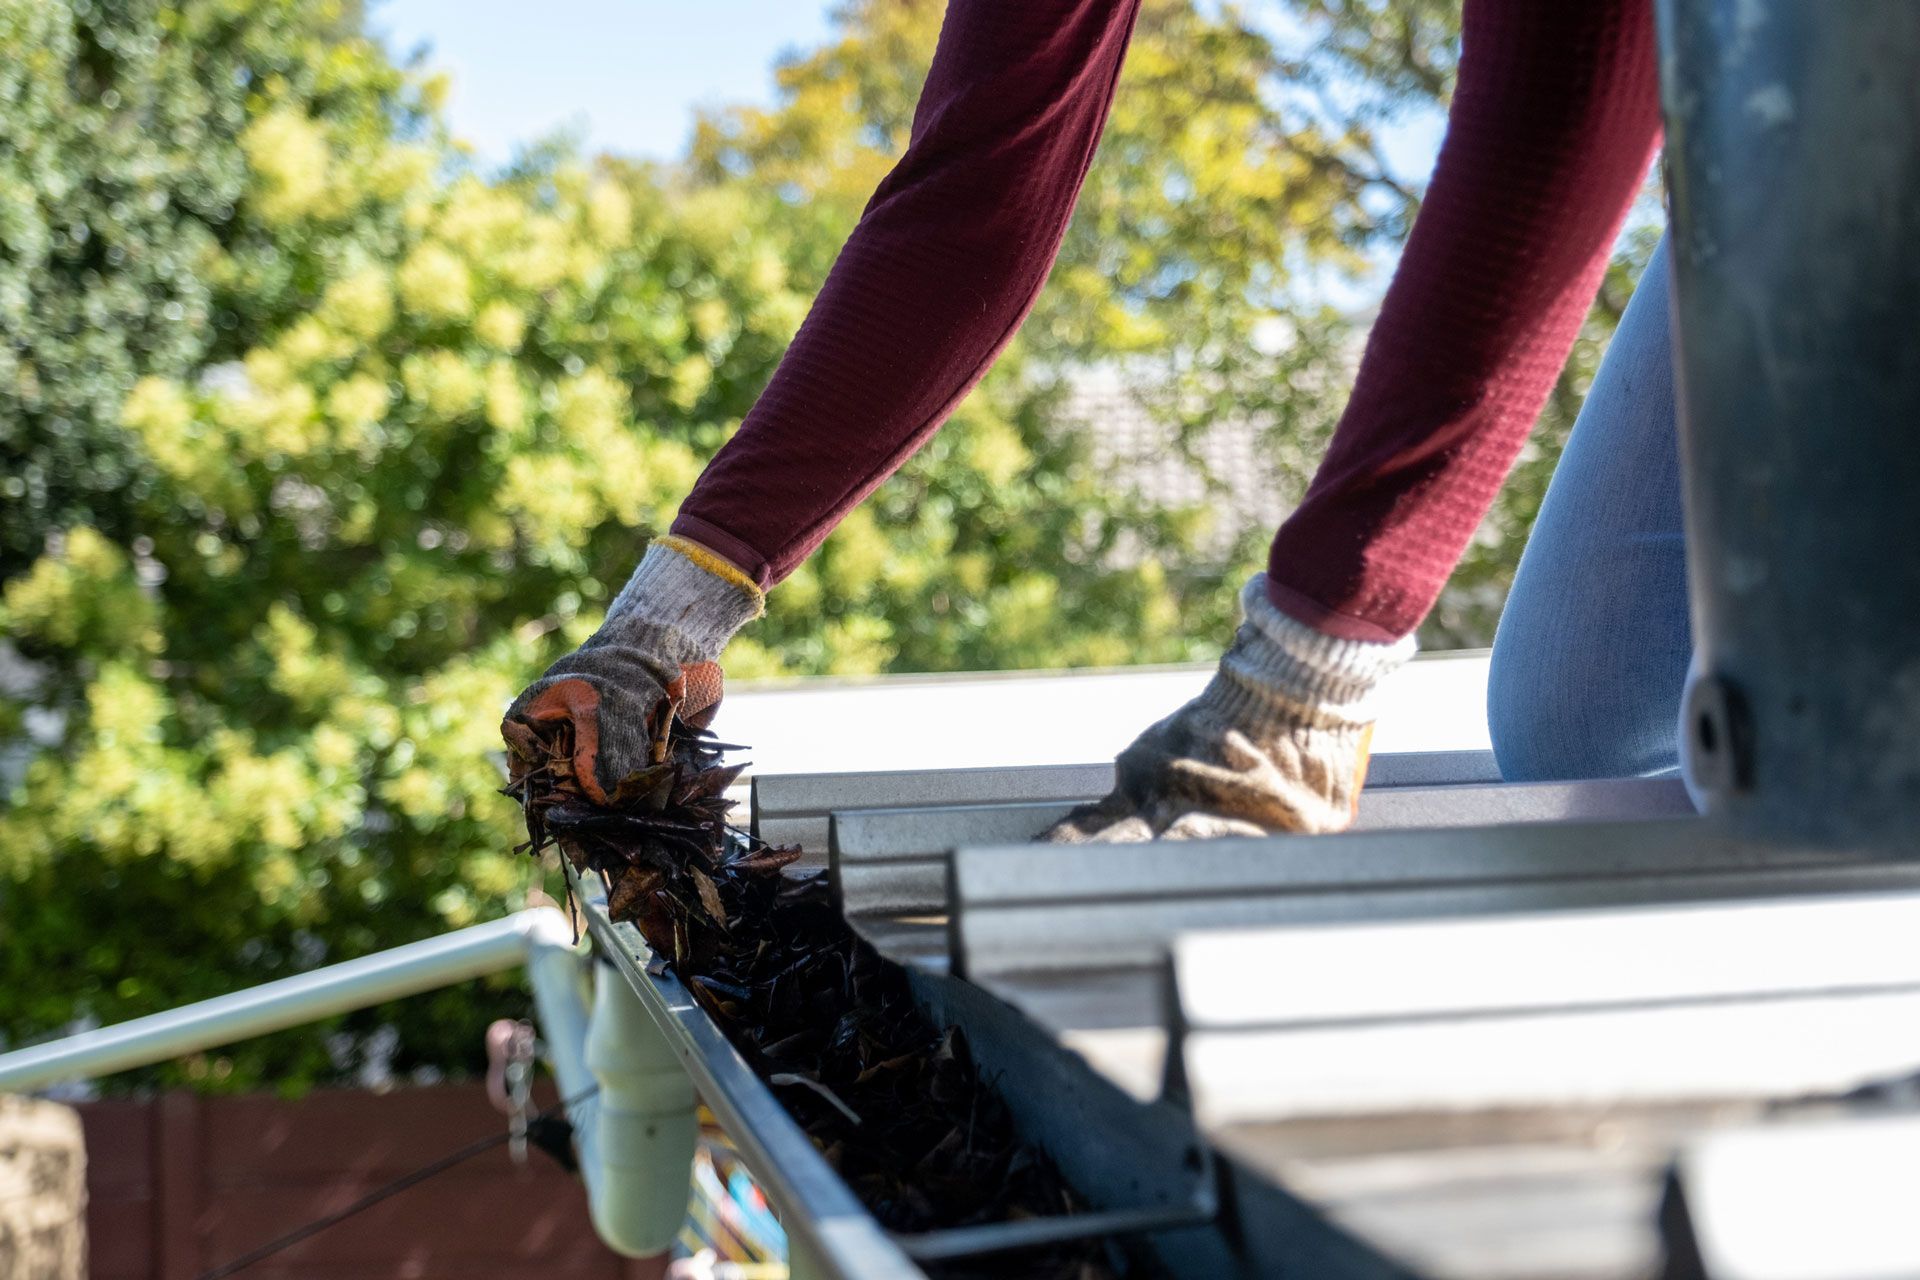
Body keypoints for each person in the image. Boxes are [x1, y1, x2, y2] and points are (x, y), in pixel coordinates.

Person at [503, 0, 1666, 839]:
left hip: (1828, 117)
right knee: (1582, 729)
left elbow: (1568, 96)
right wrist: (664, 622)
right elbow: (975, 194)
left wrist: (1310, 671)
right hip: (1753, 138)